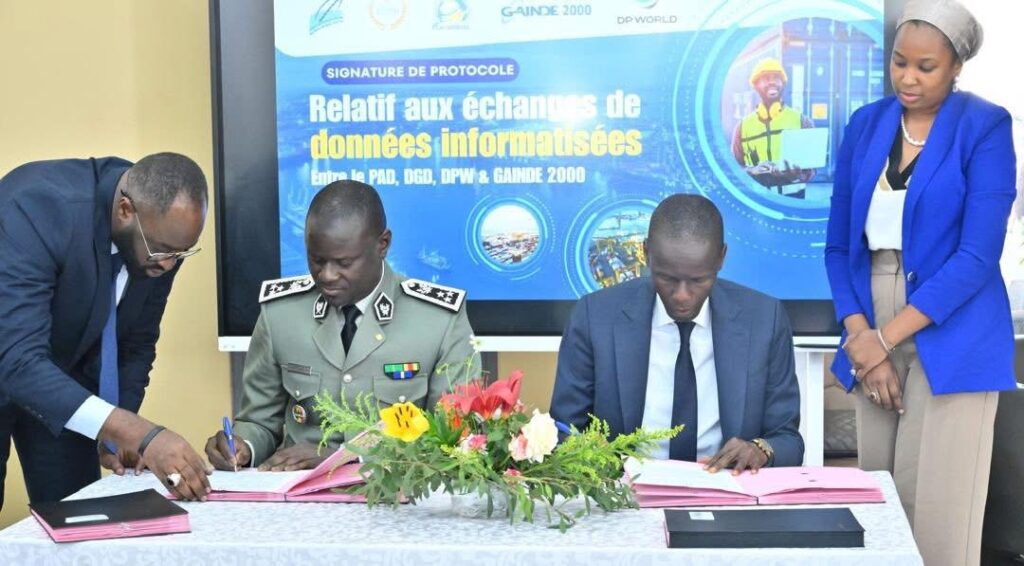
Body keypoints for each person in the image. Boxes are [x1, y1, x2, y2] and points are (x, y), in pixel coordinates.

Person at [824, 2, 1013, 564]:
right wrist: (864, 339)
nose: (908, 77)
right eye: (899, 62)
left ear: (956, 67)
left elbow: (976, 257)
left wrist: (885, 338)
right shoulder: (865, 125)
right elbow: (839, 248)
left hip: (954, 323)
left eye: (925, 67)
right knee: (881, 507)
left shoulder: (985, 126)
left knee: (939, 517)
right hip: (871, 315)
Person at [206, 180, 480, 471]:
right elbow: (260, 422)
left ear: (383, 244)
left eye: (344, 263)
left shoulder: (438, 321)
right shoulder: (280, 315)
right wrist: (242, 447)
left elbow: (454, 437)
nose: (327, 275)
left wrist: (348, 457)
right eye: (316, 260)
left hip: (397, 492)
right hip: (296, 494)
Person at [0, 154, 214, 508]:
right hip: (14, 357)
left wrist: (118, 434)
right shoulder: (37, 207)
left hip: (60, 376)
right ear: (126, 210)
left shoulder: (160, 235)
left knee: (78, 513)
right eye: (163, 251)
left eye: (180, 254)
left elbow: (137, 342)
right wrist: (140, 432)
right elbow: (16, 361)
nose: (168, 264)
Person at [551, 194, 803, 473]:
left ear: (721, 257)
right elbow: (564, 431)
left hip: (725, 486)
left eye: (698, 280)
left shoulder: (764, 319)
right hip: (626, 487)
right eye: (667, 278)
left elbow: (788, 440)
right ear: (645, 253)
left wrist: (759, 450)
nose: (682, 295)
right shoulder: (595, 316)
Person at [731, 57, 816, 196]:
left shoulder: (802, 121)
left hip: (792, 201)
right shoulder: (742, 127)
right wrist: (751, 170)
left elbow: (812, 169)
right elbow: (733, 169)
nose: (772, 82)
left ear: (783, 83)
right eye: (766, 78)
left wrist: (797, 175)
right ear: (756, 85)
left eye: (776, 77)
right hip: (757, 201)